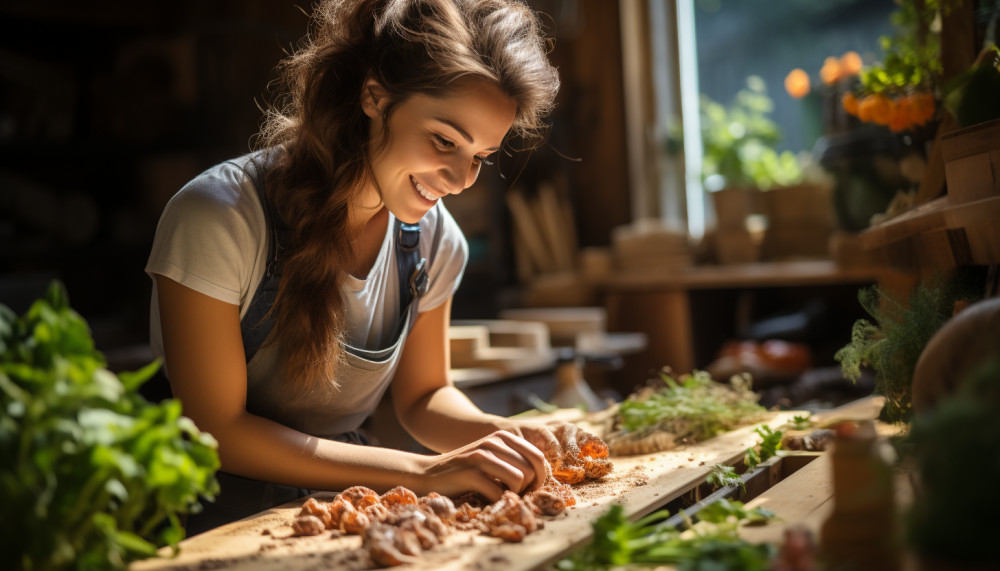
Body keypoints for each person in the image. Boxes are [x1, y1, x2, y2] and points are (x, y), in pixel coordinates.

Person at [146, 0, 587, 534]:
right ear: (374, 97)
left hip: (344, 510)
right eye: (444, 140)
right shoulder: (219, 218)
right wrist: (424, 472)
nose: (460, 178)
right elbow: (218, 428)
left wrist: (502, 437)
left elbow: (425, 397)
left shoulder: (435, 240)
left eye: (480, 156)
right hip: (205, 517)